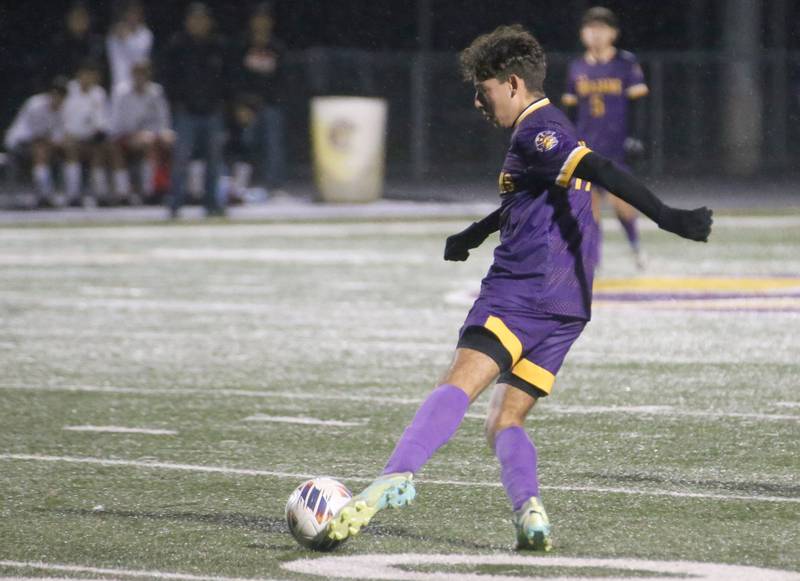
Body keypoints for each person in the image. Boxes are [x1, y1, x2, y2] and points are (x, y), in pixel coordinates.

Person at [323, 24, 712, 551]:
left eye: (484, 91)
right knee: (504, 418)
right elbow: (531, 195)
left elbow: (599, 167)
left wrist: (668, 217)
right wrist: (476, 233)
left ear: (512, 83)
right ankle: (530, 512)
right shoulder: (546, 131)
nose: (480, 103)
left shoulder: (538, 126)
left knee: (458, 382)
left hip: (524, 289)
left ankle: (397, 473)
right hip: (568, 304)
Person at [561, 7, 650, 269]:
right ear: (582, 34)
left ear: (613, 33)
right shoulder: (577, 66)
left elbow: (638, 104)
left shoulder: (625, 63)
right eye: (590, 29)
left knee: (621, 203)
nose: (595, 35)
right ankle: (593, 261)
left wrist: (636, 137)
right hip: (586, 146)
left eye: (601, 29)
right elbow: (570, 109)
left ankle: (636, 249)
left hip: (615, 147)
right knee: (589, 206)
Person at [161, 2, 227, 218]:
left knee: (214, 161)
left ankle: (212, 204)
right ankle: (175, 203)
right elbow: (169, 78)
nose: (198, 23)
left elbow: (227, 79)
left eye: (202, 19)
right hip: (186, 111)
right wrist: (176, 102)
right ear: (187, 22)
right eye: (194, 19)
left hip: (212, 111)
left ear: (209, 22)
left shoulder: (218, 45)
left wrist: (222, 103)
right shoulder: (177, 46)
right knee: (181, 159)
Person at [231, 2, 287, 192]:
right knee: (246, 144)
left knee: (273, 146)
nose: (261, 23)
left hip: (271, 104)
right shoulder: (242, 45)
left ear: (270, 23)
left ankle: (273, 187)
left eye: (264, 20)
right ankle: (244, 186)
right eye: (257, 19)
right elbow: (236, 78)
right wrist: (240, 104)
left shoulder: (277, 47)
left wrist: (274, 101)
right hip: (248, 105)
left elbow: (283, 79)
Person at [109, 61, 174, 204]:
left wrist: (160, 133)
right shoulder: (121, 93)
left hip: (150, 136)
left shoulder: (156, 92)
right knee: (115, 148)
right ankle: (123, 193)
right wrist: (134, 134)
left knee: (166, 141)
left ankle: (153, 190)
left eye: (143, 73)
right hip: (125, 135)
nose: (140, 77)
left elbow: (163, 119)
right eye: (137, 73)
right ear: (132, 74)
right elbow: (116, 123)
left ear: (148, 74)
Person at [4, 77, 68, 205]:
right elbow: (35, 135)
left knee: (57, 151)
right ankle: (44, 194)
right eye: (56, 95)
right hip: (19, 143)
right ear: (51, 94)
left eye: (62, 97)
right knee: (40, 151)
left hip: (42, 145)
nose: (59, 100)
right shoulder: (35, 104)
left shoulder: (61, 109)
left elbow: (58, 135)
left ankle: (59, 194)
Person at [61, 60, 111, 206]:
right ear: (79, 75)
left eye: (92, 76)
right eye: (86, 75)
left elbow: (101, 120)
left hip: (90, 139)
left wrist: (96, 133)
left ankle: (101, 195)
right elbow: (63, 118)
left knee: (101, 150)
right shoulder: (68, 90)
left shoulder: (99, 93)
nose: (89, 79)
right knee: (72, 149)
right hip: (68, 137)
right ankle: (73, 195)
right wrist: (70, 135)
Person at [43, 2, 106, 86]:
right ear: (68, 19)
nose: (79, 22)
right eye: (75, 17)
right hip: (65, 89)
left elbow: (102, 72)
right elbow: (53, 72)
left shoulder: (96, 43)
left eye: (82, 17)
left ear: (89, 20)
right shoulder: (59, 43)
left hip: (92, 89)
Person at [106, 0, 153, 93]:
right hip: (119, 81)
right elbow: (111, 53)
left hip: (140, 82)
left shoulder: (146, 34)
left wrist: (127, 39)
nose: (133, 17)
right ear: (125, 15)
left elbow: (140, 57)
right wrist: (116, 34)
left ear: (140, 16)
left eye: (136, 13)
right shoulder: (114, 33)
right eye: (130, 13)